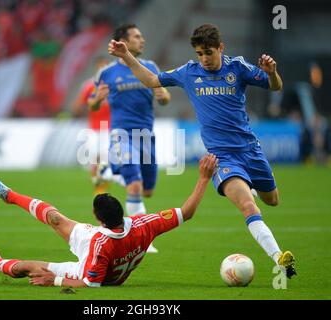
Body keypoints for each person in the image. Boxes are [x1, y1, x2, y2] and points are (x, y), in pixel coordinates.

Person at [108, 23, 296, 278]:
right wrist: (127, 56)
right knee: (249, 208)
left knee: (272, 200)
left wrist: (272, 73)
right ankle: (280, 259)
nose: (204, 59)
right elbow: (152, 80)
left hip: (251, 151)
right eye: (199, 53)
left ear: (221, 47)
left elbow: (275, 86)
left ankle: (249, 184)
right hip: (222, 157)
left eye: (209, 52)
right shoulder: (189, 72)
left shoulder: (238, 68)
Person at [0, 154, 217, 288]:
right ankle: (9, 195)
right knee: (56, 218)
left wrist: (54, 281)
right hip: (107, 245)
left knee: (26, 268)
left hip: (93, 270)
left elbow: (90, 284)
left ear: (98, 220)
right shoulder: (143, 223)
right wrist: (203, 178)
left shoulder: (100, 246)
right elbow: (187, 212)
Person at [89, 24, 171, 253]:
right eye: (137, 36)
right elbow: (92, 103)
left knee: (147, 191)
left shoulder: (151, 67)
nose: (142, 40)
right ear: (123, 41)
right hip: (121, 135)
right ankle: (144, 239)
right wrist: (97, 100)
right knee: (134, 183)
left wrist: (163, 95)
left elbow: (165, 99)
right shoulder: (106, 73)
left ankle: (107, 172)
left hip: (146, 136)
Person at [71, 56, 114, 195]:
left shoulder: (113, 85)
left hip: (109, 128)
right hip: (94, 128)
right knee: (94, 159)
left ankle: (102, 189)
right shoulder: (89, 85)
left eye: (105, 67)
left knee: (105, 159)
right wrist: (80, 110)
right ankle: (98, 189)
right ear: (96, 68)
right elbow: (77, 106)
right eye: (100, 67)